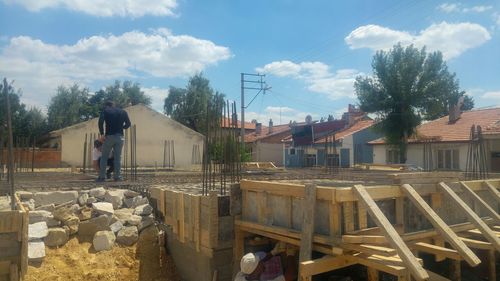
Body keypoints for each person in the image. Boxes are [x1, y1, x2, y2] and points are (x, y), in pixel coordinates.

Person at [96, 100, 131, 182]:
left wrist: (102, 133)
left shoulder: (105, 111)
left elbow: (100, 122)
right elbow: (128, 124)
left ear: (106, 106)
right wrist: (122, 128)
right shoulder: (123, 111)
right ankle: (117, 177)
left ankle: (102, 177)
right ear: (114, 105)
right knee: (118, 158)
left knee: (104, 157)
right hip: (120, 137)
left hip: (109, 137)